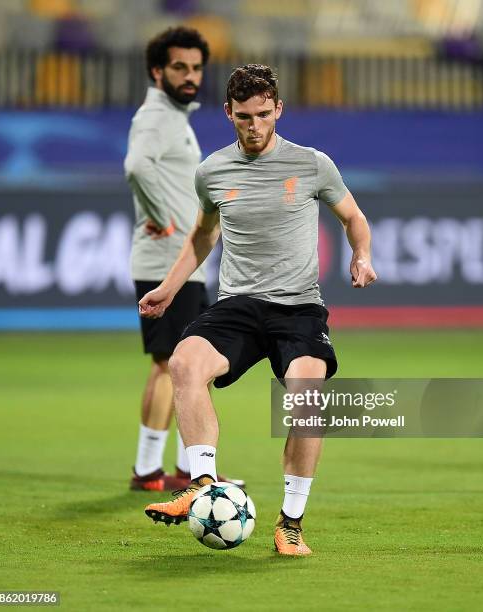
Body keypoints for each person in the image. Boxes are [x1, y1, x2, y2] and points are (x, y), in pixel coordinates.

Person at [138, 64, 376, 555]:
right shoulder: (213, 171)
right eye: (244, 116)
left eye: (263, 115)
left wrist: (362, 254)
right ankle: (202, 484)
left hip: (298, 308)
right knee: (183, 362)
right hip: (239, 306)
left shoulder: (312, 164)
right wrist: (168, 287)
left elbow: (353, 217)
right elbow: (203, 235)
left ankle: (290, 523)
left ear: (278, 110)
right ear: (228, 112)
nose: (255, 126)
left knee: (306, 397)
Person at [124, 26, 244, 492]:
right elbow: (136, 165)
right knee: (166, 363)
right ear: (158, 71)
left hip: (180, 264)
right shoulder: (157, 115)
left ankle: (183, 469)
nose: (190, 75)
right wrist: (161, 217)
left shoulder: (172, 116)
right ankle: (147, 470)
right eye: (180, 67)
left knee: (186, 364)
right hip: (163, 261)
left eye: (196, 67)